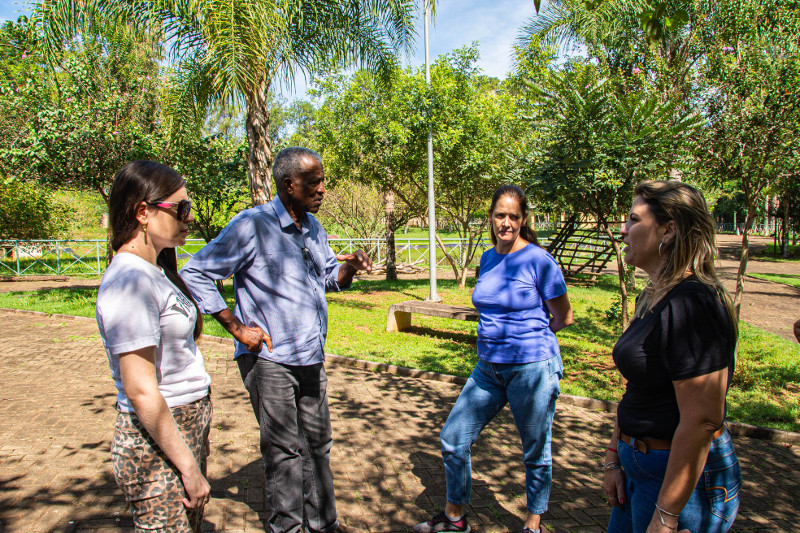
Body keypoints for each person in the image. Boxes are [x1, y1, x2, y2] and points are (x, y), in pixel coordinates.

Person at [180, 147, 371, 533]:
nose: (322, 190)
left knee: (318, 445)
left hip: (310, 355)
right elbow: (196, 272)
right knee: (284, 451)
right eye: (314, 182)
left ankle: (322, 524)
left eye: (322, 181)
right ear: (289, 184)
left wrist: (348, 266)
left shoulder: (313, 227)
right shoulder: (252, 225)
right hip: (269, 360)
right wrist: (235, 327)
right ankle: (286, 527)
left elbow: (330, 277)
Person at [413, 185, 573, 533]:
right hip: (488, 367)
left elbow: (563, 317)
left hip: (531, 369)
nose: (506, 222)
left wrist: (527, 340)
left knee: (535, 450)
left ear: (523, 219)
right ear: (490, 217)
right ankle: (454, 518)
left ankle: (533, 523)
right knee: (454, 438)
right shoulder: (487, 258)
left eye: (513, 216)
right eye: (500, 215)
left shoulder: (539, 261)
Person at [604, 180, 742, 533]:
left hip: (677, 483)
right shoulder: (652, 296)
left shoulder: (693, 304)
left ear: (668, 229)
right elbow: (636, 388)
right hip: (637, 468)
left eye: (633, 220)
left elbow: (702, 421)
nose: (623, 230)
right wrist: (613, 460)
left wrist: (666, 517)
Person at [95, 161, 212, 532]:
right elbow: (141, 390)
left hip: (181, 431)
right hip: (155, 446)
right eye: (181, 209)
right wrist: (189, 469)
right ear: (143, 212)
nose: (188, 218)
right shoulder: (129, 282)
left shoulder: (155, 271)